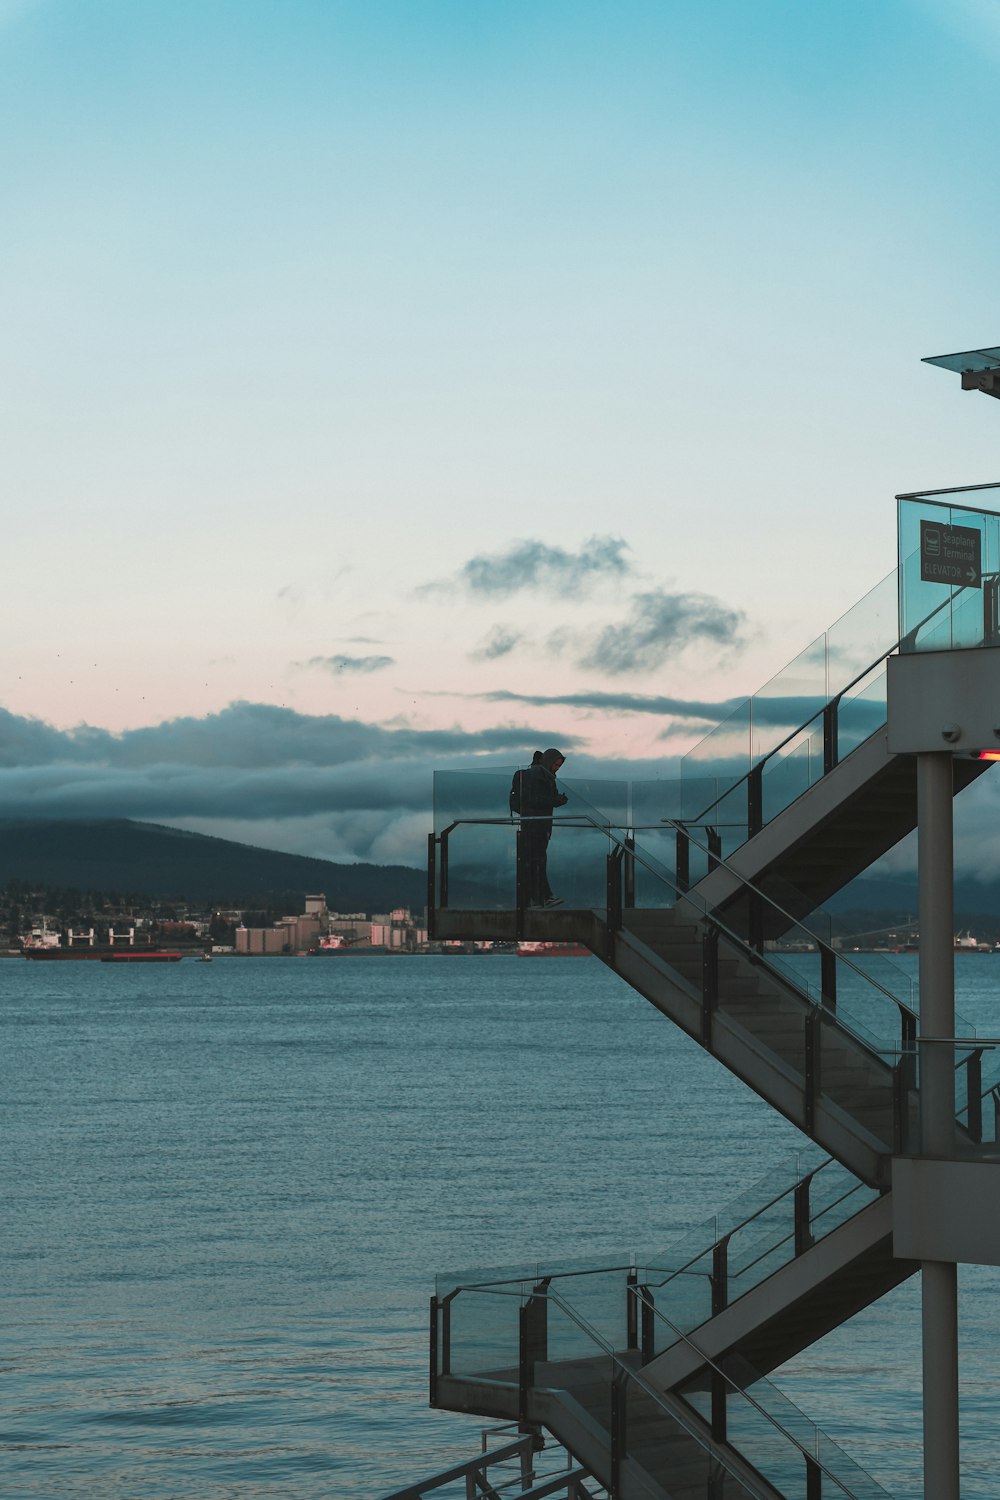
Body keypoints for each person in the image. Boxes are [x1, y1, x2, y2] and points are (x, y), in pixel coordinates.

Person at [519, 747, 568, 908]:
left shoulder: (545, 777)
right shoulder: (539, 777)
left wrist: (555, 800)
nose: (557, 768)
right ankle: (543, 897)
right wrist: (556, 800)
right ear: (548, 762)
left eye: (559, 765)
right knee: (537, 861)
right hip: (536, 826)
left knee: (535, 861)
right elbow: (536, 800)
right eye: (555, 764)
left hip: (537, 825)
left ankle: (536, 899)